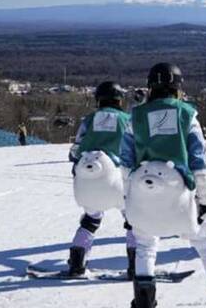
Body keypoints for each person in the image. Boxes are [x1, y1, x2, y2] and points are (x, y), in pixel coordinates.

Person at [120, 63, 206, 308]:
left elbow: (125, 164)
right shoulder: (187, 114)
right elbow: (198, 163)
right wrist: (205, 200)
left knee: (145, 247)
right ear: (177, 87)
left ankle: (144, 303)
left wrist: (127, 201)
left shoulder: (135, 117)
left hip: (144, 193)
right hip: (181, 198)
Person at [67, 81, 137, 277]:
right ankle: (136, 264)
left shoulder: (89, 120)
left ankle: (76, 262)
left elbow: (75, 150)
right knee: (132, 220)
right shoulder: (127, 119)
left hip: (87, 180)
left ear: (98, 100)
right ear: (119, 100)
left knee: (90, 220)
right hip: (116, 179)